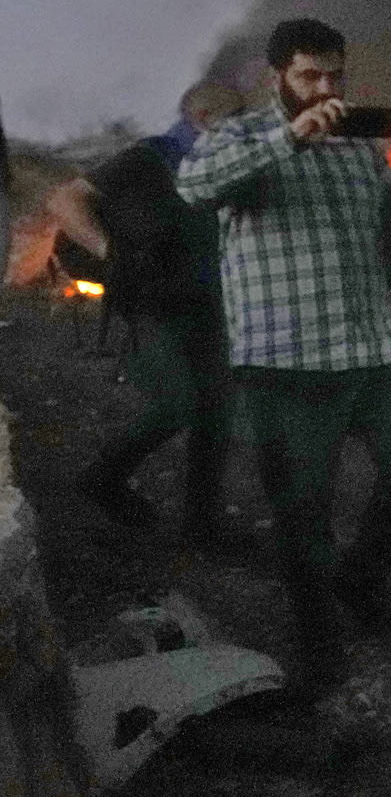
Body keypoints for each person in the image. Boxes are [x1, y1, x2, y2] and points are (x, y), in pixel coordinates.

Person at [178, 19, 391, 694]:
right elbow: (195, 185)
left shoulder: (360, 143)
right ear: (278, 76)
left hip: (372, 344)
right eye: (309, 76)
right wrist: (289, 138)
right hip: (286, 358)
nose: (325, 88)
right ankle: (319, 652)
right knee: (303, 510)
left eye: (334, 74)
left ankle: (359, 579)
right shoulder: (239, 136)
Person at [49, 81, 244, 542]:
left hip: (206, 299)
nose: (241, 129)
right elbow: (65, 200)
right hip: (151, 302)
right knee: (180, 401)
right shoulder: (148, 158)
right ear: (202, 117)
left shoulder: (222, 165)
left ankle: (202, 524)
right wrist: (109, 252)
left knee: (218, 407)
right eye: (233, 119)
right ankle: (103, 479)